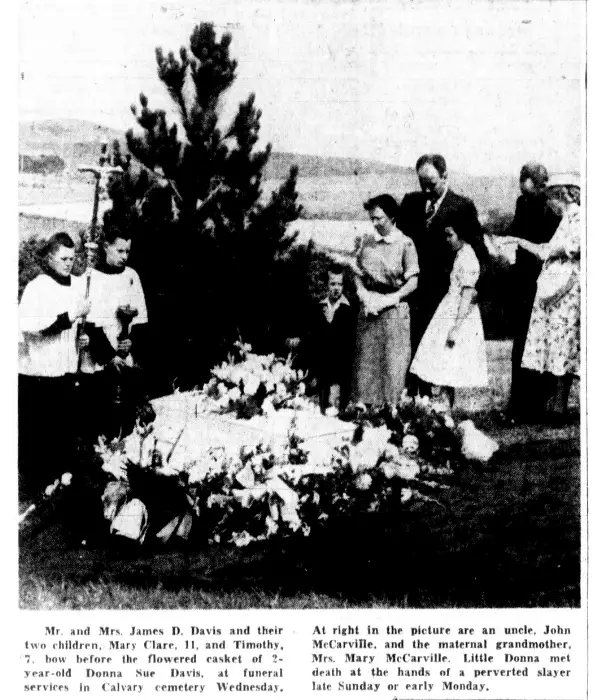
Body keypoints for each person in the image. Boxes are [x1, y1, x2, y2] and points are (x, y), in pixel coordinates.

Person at [397, 154, 485, 396]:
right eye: (421, 182)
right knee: (413, 353)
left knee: (441, 357)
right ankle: (412, 407)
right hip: (413, 292)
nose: (426, 189)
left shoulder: (462, 206)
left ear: (446, 176)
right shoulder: (411, 202)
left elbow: (478, 253)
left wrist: (472, 291)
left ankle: (437, 413)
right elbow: (400, 244)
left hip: (444, 295)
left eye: (432, 183)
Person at [18, 232, 90, 496]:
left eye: (72, 258)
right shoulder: (38, 286)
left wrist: (82, 338)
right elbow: (36, 327)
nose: (68, 263)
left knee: (62, 430)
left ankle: (59, 482)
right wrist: (72, 315)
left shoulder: (76, 285)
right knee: (39, 431)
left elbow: (75, 328)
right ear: (50, 258)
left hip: (65, 370)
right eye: (63, 258)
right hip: (40, 371)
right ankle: (36, 487)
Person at [509, 174, 580, 426]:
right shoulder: (566, 221)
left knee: (563, 344)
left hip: (566, 291)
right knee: (556, 344)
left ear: (561, 195)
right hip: (555, 291)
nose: (548, 204)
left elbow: (566, 249)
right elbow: (544, 251)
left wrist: (521, 242)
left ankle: (558, 406)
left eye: (550, 198)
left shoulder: (578, 218)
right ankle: (554, 404)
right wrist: (516, 241)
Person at [504, 162, 561, 423]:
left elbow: (548, 248)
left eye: (526, 181)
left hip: (542, 280)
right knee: (522, 341)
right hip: (522, 280)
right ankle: (519, 404)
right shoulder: (522, 203)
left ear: (539, 185)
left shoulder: (552, 209)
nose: (522, 186)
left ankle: (535, 405)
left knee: (536, 341)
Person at [79, 229, 149, 440]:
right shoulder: (92, 277)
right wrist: (110, 357)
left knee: (125, 419)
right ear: (106, 247)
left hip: (125, 356)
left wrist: (130, 342)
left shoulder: (131, 276)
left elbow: (140, 318)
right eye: (119, 251)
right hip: (100, 358)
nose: (124, 256)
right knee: (101, 418)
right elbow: (90, 322)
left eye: (127, 251)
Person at [350, 194, 419, 407]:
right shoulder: (367, 242)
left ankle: (392, 411)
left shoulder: (406, 244)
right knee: (366, 362)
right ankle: (365, 411)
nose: (374, 223)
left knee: (393, 363)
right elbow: (358, 272)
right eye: (372, 218)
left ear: (392, 217)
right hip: (369, 308)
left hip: (393, 310)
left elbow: (413, 282)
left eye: (379, 218)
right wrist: (362, 293)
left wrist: (391, 299)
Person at [409, 225, 488, 408]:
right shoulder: (461, 254)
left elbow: (467, 294)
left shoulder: (468, 258)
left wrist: (455, 328)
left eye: (450, 235)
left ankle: (445, 411)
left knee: (449, 364)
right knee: (443, 365)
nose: (447, 240)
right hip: (449, 309)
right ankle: (442, 410)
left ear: (462, 235)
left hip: (457, 314)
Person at [301, 264, 357, 414]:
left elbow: (345, 347)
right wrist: (313, 373)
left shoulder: (349, 310)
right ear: (327, 284)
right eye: (333, 284)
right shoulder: (319, 308)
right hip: (319, 372)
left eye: (340, 284)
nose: (336, 288)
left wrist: (331, 322)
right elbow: (313, 343)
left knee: (332, 411)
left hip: (338, 374)